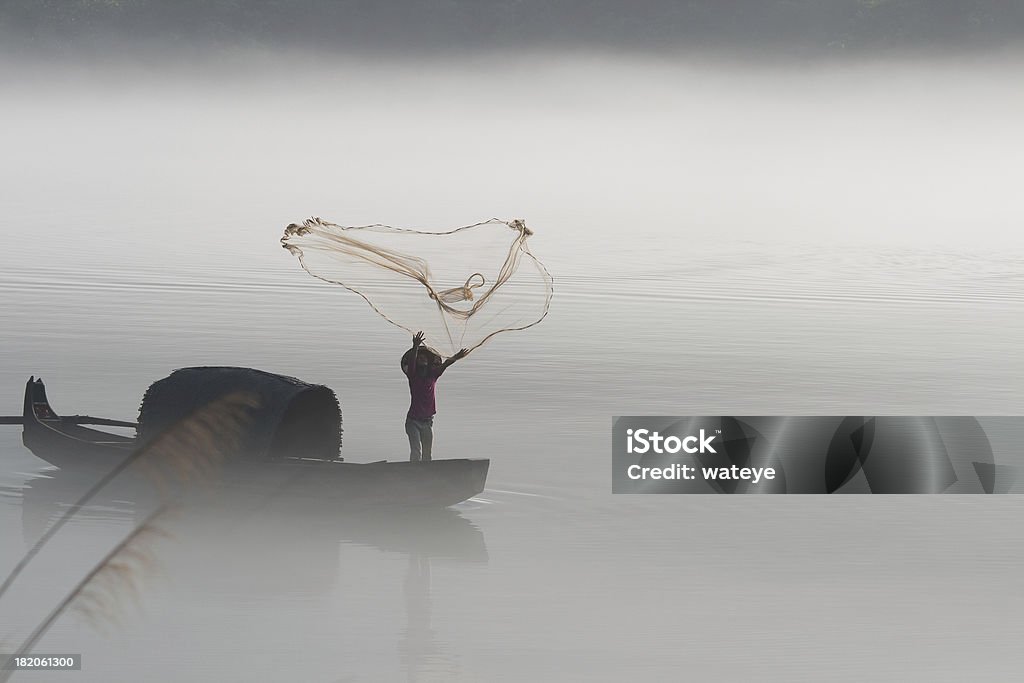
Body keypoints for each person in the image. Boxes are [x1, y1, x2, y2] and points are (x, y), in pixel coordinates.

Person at [401, 331, 468, 462]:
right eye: (420, 358)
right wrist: (415, 346)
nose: (423, 359)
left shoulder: (433, 375)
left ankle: (427, 478)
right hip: (413, 421)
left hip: (427, 422)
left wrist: (457, 356)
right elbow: (412, 362)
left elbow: (446, 364)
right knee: (416, 452)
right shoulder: (413, 375)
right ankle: (412, 476)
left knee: (427, 455)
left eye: (425, 358)